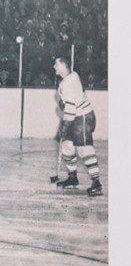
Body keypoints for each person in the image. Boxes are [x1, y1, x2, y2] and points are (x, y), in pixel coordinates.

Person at [53, 57, 102, 196]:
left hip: (83, 117)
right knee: (67, 148)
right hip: (75, 117)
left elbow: (71, 109)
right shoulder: (70, 77)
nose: (54, 66)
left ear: (63, 65)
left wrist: (64, 127)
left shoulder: (70, 81)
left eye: (56, 64)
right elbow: (68, 103)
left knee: (84, 150)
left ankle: (96, 182)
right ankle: (73, 177)